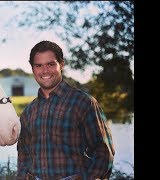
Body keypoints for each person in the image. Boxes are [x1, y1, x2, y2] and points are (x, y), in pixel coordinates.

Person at [17, 41, 115, 180]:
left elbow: (103, 151)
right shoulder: (28, 112)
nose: (45, 71)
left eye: (51, 64)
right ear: (33, 69)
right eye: (38, 66)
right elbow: (24, 154)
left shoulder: (83, 102)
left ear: (61, 64)